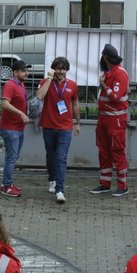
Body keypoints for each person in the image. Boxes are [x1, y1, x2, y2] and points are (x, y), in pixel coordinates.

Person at [36, 56, 79, 204]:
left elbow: (75, 103)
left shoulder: (72, 85)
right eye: (58, 68)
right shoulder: (45, 82)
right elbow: (40, 96)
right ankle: (52, 179)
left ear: (67, 70)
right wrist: (48, 79)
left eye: (63, 68)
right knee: (51, 156)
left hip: (65, 127)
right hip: (48, 126)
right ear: (53, 69)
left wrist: (78, 122)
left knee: (61, 158)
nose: (60, 71)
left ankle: (60, 190)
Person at [91, 44, 131, 196]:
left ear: (106, 57)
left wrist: (102, 84)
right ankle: (105, 183)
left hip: (116, 120)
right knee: (103, 151)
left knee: (117, 151)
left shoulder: (119, 73)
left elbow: (115, 97)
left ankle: (123, 185)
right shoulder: (108, 72)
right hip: (104, 119)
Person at [0, 61, 31, 197]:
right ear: (15, 73)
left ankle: (7, 183)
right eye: (23, 71)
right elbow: (5, 104)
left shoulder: (21, 85)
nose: (26, 73)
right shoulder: (10, 85)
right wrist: (21, 113)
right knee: (11, 158)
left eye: (27, 70)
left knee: (13, 157)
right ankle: (7, 186)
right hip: (10, 128)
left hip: (18, 128)